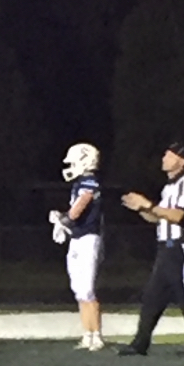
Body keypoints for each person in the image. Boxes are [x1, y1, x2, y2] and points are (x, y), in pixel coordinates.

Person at [119, 141, 184, 357]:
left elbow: (178, 215)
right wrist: (141, 208)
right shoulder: (168, 187)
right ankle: (140, 343)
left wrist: (148, 205)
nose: (164, 159)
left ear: (181, 161)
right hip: (165, 249)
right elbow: (158, 218)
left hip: (179, 248)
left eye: (169, 156)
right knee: (152, 297)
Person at [49, 143, 105, 351]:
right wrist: (64, 219)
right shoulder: (80, 182)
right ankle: (87, 334)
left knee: (88, 289)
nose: (71, 167)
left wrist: (66, 219)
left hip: (88, 238)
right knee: (79, 289)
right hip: (78, 237)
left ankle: (96, 335)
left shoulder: (89, 181)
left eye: (73, 162)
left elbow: (82, 203)